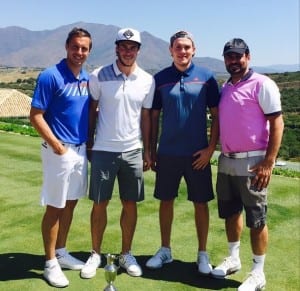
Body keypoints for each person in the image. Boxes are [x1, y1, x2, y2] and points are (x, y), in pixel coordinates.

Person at [80, 27, 155, 279]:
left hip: (132, 150)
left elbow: (145, 117)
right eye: (123, 46)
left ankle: (126, 253)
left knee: (130, 204)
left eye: (132, 47)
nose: (127, 51)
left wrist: (146, 150)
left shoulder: (147, 79)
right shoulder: (98, 75)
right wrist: (89, 142)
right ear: (116, 48)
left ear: (138, 50)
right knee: (100, 203)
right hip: (103, 149)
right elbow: (92, 109)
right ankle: (95, 253)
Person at [211, 38, 284, 291]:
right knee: (230, 213)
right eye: (229, 57)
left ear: (248, 57)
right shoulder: (226, 87)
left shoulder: (262, 84)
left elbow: (277, 122)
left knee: (256, 219)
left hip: (254, 162)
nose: (233, 61)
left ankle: (258, 272)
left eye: (238, 56)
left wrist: (269, 161)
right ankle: (233, 258)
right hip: (227, 161)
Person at [145, 31, 220, 275]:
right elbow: (154, 116)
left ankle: (202, 253)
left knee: (201, 203)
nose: (183, 51)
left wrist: (211, 149)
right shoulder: (160, 79)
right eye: (178, 47)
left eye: (187, 47)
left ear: (194, 49)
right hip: (167, 153)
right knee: (166, 201)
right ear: (171, 50)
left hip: (198, 155)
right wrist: (151, 149)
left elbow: (217, 116)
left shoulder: (207, 77)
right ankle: (165, 250)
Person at [30, 27, 92, 288]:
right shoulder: (50, 76)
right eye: (75, 47)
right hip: (60, 151)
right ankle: (49, 263)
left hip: (80, 150)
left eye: (84, 48)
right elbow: (35, 115)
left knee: (71, 203)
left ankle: (62, 251)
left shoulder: (86, 77)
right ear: (67, 47)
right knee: (55, 207)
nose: (79, 52)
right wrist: (57, 146)